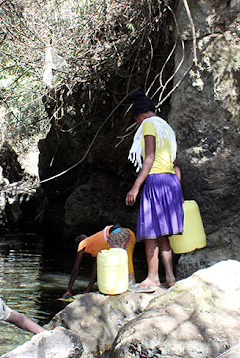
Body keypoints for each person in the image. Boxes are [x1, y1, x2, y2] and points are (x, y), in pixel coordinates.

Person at [125, 89, 184, 290]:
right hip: (171, 182)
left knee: (150, 232)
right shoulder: (167, 128)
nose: (138, 125)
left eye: (137, 121)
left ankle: (152, 278)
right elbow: (175, 162)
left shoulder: (149, 125)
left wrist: (135, 187)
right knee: (163, 233)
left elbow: (149, 158)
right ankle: (170, 278)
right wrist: (180, 193)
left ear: (141, 115)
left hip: (156, 180)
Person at [61, 224, 136, 299]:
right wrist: (88, 290)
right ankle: (129, 284)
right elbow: (95, 271)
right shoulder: (97, 247)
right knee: (125, 261)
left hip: (119, 235)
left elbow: (76, 269)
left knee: (124, 262)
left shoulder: (83, 244)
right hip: (130, 234)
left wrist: (68, 290)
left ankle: (130, 286)